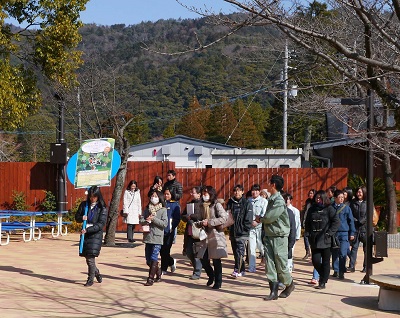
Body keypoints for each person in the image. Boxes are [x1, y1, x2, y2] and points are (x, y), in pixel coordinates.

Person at [259, 175, 295, 300]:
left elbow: (270, 217)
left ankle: (289, 284)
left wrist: (260, 219)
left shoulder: (279, 201)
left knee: (281, 264)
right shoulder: (272, 199)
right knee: (269, 264)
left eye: (269, 183)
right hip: (270, 235)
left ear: (273, 184)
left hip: (279, 237)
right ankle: (273, 292)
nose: (268, 186)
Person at [191, 185, 228, 290]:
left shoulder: (216, 205)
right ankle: (211, 275)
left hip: (215, 235)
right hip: (205, 235)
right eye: (203, 194)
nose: (204, 196)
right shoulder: (202, 205)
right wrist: (200, 223)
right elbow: (202, 218)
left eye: (206, 193)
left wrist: (210, 222)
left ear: (211, 194)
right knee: (203, 258)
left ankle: (218, 281)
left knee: (216, 260)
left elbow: (224, 218)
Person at [304, 190, 340, 290]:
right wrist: (308, 233)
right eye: (316, 198)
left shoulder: (329, 209)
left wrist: (329, 233)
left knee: (325, 261)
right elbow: (307, 222)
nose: (318, 199)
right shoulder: (312, 209)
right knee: (315, 261)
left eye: (320, 198)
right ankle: (324, 275)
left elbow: (336, 222)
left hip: (325, 239)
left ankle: (322, 281)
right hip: (314, 239)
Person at [75, 186, 108, 287]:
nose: (92, 199)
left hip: (95, 234)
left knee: (90, 257)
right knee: (87, 257)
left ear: (98, 196)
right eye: (90, 196)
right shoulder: (84, 205)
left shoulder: (102, 208)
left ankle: (90, 279)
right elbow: (77, 217)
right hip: (85, 233)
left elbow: (101, 224)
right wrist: (82, 218)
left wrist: (88, 230)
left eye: (94, 197)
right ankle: (96, 272)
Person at [139, 189, 168, 286]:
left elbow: (164, 224)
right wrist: (145, 220)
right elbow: (142, 219)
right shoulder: (147, 208)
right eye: (152, 196)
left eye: (155, 196)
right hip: (148, 236)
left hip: (157, 237)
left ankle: (150, 279)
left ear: (159, 198)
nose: (153, 198)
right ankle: (158, 272)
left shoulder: (163, 210)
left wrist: (154, 219)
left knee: (154, 257)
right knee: (148, 260)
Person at [227, 184, 253, 278]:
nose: (236, 193)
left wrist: (244, 228)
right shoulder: (230, 202)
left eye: (238, 191)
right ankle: (241, 270)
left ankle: (237, 270)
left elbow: (249, 218)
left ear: (242, 192)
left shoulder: (247, 203)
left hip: (242, 232)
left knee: (240, 252)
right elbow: (227, 215)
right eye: (235, 191)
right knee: (235, 252)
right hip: (233, 231)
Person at [331, 189, 355, 280]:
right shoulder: (330, 208)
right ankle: (336, 270)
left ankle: (341, 271)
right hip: (334, 233)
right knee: (334, 253)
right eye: (339, 197)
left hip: (344, 233)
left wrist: (352, 233)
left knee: (342, 253)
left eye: (342, 197)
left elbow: (351, 221)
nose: (341, 199)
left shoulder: (346, 208)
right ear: (335, 198)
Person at [181, 186, 203, 279]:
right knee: (189, 251)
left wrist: (192, 216)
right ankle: (197, 267)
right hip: (189, 232)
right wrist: (187, 217)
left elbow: (201, 216)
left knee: (197, 253)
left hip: (198, 232)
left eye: (193, 193)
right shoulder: (189, 204)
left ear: (199, 194)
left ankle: (197, 272)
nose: (191, 194)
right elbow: (183, 216)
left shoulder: (203, 205)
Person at [160, 187, 181, 275]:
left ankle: (163, 268)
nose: (166, 196)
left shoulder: (175, 205)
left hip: (169, 231)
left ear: (172, 194)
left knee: (166, 250)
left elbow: (177, 218)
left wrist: (172, 227)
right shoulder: (161, 203)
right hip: (161, 231)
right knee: (161, 251)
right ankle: (171, 262)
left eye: (168, 194)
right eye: (165, 194)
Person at [247, 184, 267, 272]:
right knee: (251, 247)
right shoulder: (248, 201)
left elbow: (264, 214)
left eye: (256, 190)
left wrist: (258, 221)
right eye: (253, 190)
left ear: (259, 192)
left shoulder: (264, 201)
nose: (254, 192)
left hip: (260, 228)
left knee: (261, 247)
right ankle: (252, 267)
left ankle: (269, 262)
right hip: (251, 228)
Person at [348, 186, 367, 273]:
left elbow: (369, 214)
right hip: (355, 228)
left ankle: (366, 266)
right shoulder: (353, 202)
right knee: (354, 247)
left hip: (365, 229)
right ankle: (351, 266)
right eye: (358, 192)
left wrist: (362, 221)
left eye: (360, 192)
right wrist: (355, 221)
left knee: (366, 249)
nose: (359, 194)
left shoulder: (368, 202)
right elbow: (350, 214)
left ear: (364, 193)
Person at [282, 193, 300, 273]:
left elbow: (297, 224)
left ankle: (289, 267)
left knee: (290, 251)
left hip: (291, 235)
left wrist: (297, 236)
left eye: (288, 199)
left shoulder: (294, 211)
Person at [302, 189, 315, 260]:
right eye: (310, 193)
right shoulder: (307, 202)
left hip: (313, 222)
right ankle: (307, 251)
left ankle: (313, 253)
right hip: (307, 222)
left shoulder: (315, 202)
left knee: (312, 238)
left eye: (312, 193)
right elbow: (305, 212)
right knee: (305, 236)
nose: (310, 195)